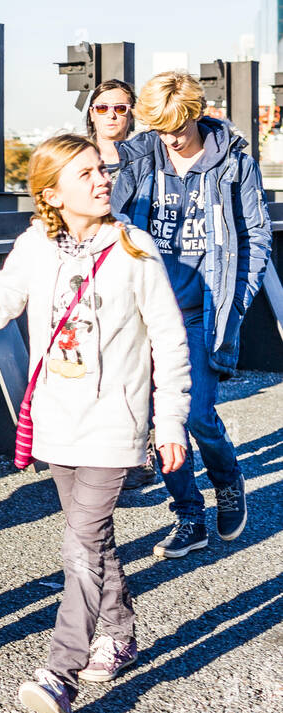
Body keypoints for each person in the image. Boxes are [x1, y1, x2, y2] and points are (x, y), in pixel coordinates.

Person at [0, 134, 191, 713]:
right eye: (86, 173)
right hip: (57, 422)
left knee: (80, 542)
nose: (102, 180)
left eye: (102, 170)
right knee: (93, 540)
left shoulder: (135, 248)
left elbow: (169, 341)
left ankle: (60, 671)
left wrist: (171, 421)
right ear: (52, 193)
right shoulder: (36, 244)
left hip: (116, 423)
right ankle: (120, 631)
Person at [110, 71, 271, 558]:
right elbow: (113, 225)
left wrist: (237, 301)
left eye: (177, 129)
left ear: (196, 114)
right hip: (147, 312)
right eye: (159, 130)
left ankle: (227, 480)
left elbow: (255, 237)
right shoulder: (138, 160)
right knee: (162, 421)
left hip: (203, 313)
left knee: (198, 414)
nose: (170, 140)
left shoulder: (235, 164)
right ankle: (188, 516)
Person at [87, 79, 157, 491]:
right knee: (97, 359)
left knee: (138, 362)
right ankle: (97, 451)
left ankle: (139, 451)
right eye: (103, 108)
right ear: (91, 112)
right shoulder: (76, 155)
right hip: (92, 269)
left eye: (121, 108)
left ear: (133, 114)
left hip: (137, 266)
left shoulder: (148, 157)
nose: (112, 116)